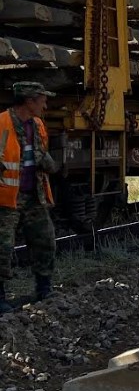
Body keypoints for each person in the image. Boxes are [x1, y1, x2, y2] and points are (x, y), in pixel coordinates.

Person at [0, 82, 62, 312]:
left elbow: (39, 154)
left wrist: (47, 163)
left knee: (45, 240)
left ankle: (44, 288)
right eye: (42, 100)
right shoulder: (1, 124)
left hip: (33, 195)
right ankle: (1, 297)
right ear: (29, 101)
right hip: (6, 199)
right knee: (2, 247)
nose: (45, 105)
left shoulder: (37, 125)